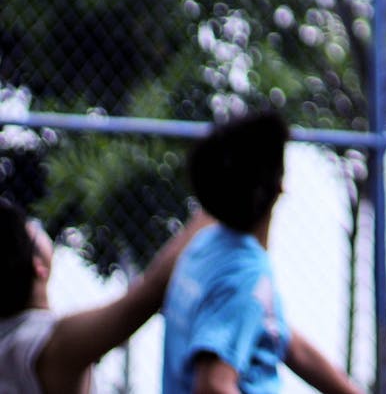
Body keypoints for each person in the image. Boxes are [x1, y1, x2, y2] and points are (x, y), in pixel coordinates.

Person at [160, 111, 359, 394]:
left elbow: (285, 340)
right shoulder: (246, 274)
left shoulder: (205, 246)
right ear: (278, 187)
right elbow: (213, 385)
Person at [0, 198, 209, 394]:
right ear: (39, 267)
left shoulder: (12, 340)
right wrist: (208, 214)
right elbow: (150, 292)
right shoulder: (42, 346)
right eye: (34, 231)